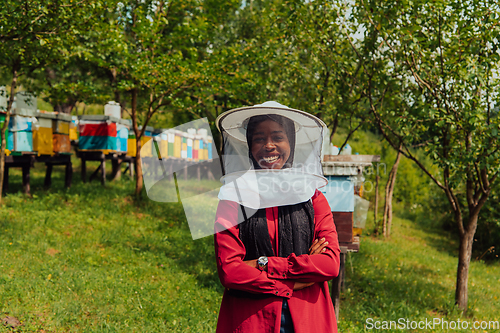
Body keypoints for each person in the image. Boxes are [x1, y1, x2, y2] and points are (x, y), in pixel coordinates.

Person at [214, 104, 341, 333]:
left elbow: (330, 264)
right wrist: (296, 280)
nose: (269, 145)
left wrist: (263, 264)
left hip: (308, 318)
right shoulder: (233, 198)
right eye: (259, 138)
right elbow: (229, 271)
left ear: (290, 143)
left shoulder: (312, 197)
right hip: (251, 320)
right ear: (249, 146)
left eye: (278, 137)